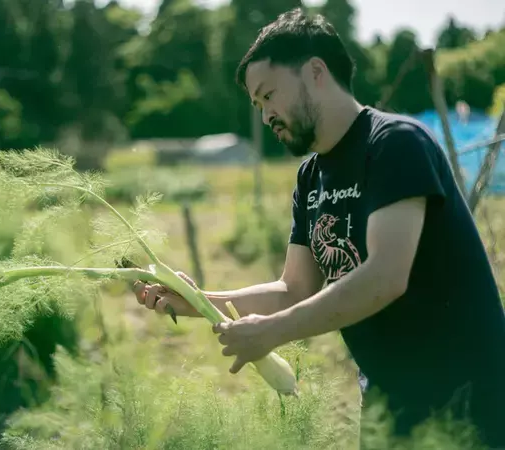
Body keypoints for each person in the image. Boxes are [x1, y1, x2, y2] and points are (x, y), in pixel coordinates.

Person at [133, 8, 505, 448]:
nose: (266, 115)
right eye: (258, 105)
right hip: (390, 408)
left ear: (315, 72)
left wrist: (271, 332)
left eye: (269, 95)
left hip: (467, 401)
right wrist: (197, 300)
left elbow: (386, 276)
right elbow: (293, 289)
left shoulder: (395, 144)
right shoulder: (311, 178)